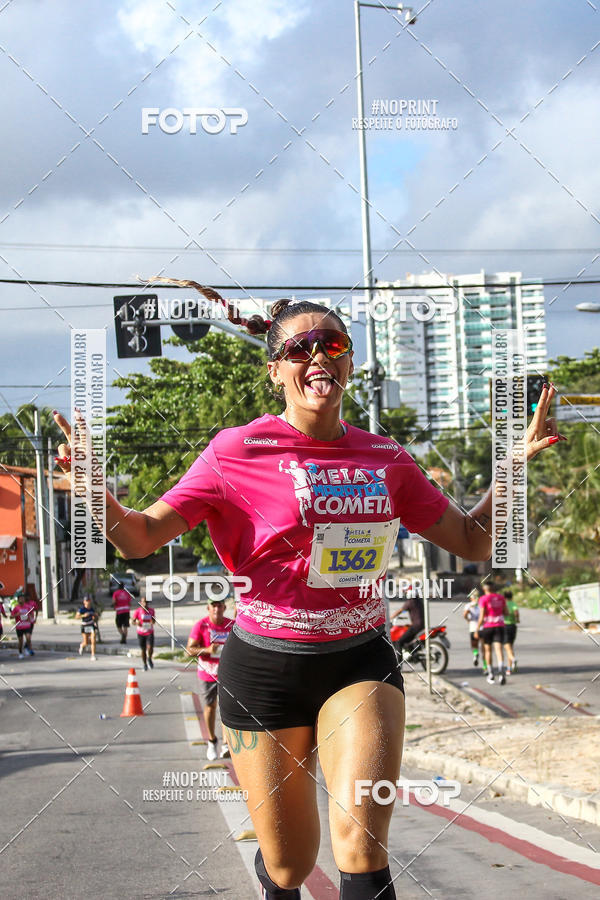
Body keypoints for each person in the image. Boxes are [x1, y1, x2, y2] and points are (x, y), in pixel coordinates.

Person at [53, 292, 565, 900]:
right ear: (275, 371)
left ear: (350, 364)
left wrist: (513, 464)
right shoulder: (233, 452)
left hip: (359, 661)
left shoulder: (385, 458)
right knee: (290, 865)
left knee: (361, 846)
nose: (318, 357)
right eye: (299, 348)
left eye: (334, 345)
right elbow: (139, 538)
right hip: (263, 670)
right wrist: (93, 489)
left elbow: (474, 541)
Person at [186, 598, 235, 759]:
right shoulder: (201, 625)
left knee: (227, 708)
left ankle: (226, 744)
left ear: (224, 607)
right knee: (210, 707)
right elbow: (189, 650)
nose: (216, 609)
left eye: (219, 605)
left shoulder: (232, 624)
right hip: (207, 672)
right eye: (213, 606)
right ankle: (212, 741)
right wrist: (207, 649)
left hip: (227, 673)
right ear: (208, 608)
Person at [474, 579, 508, 685]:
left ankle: (490, 673)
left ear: (484, 589)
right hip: (500, 626)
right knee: (499, 649)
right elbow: (506, 612)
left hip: (488, 627)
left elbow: (482, 615)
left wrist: (477, 629)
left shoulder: (483, 599)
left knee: (488, 651)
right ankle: (501, 670)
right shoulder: (501, 598)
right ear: (493, 588)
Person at [394, 586, 424, 661]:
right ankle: (411, 651)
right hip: (421, 625)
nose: (406, 593)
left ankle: (399, 664)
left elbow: (400, 611)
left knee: (399, 642)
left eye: (407, 592)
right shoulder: (419, 601)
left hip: (416, 626)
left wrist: (390, 618)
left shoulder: (410, 602)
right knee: (408, 640)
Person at [132, 595, 156, 671]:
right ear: (141, 603)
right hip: (141, 632)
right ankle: (145, 664)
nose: (145, 603)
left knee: (150, 647)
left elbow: (154, 620)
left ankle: (149, 658)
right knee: (143, 649)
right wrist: (136, 623)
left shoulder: (151, 610)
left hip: (149, 632)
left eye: (146, 602)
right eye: (143, 602)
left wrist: (153, 621)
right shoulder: (137, 611)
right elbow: (132, 621)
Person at [463, 588, 483, 667]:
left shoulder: (468, 605)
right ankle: (485, 667)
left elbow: (464, 614)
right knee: (484, 648)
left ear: (471, 597)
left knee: (474, 644)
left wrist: (468, 619)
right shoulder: (482, 605)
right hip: (482, 627)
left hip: (473, 627)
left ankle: (475, 654)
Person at [502, 590, 520, 674]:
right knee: (510, 646)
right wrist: (517, 619)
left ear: (504, 597)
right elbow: (516, 612)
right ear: (512, 596)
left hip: (505, 625)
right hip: (513, 626)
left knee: (506, 645)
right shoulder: (513, 604)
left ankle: (513, 659)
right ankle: (509, 668)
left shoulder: (503, 604)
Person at [76, 594, 98, 660]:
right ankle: (82, 646)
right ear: (84, 602)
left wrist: (95, 616)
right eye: (86, 601)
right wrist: (84, 615)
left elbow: (96, 616)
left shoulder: (92, 609)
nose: (88, 602)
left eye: (89, 600)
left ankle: (93, 655)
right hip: (85, 625)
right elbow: (76, 617)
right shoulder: (81, 609)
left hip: (91, 624)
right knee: (86, 642)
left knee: (93, 640)